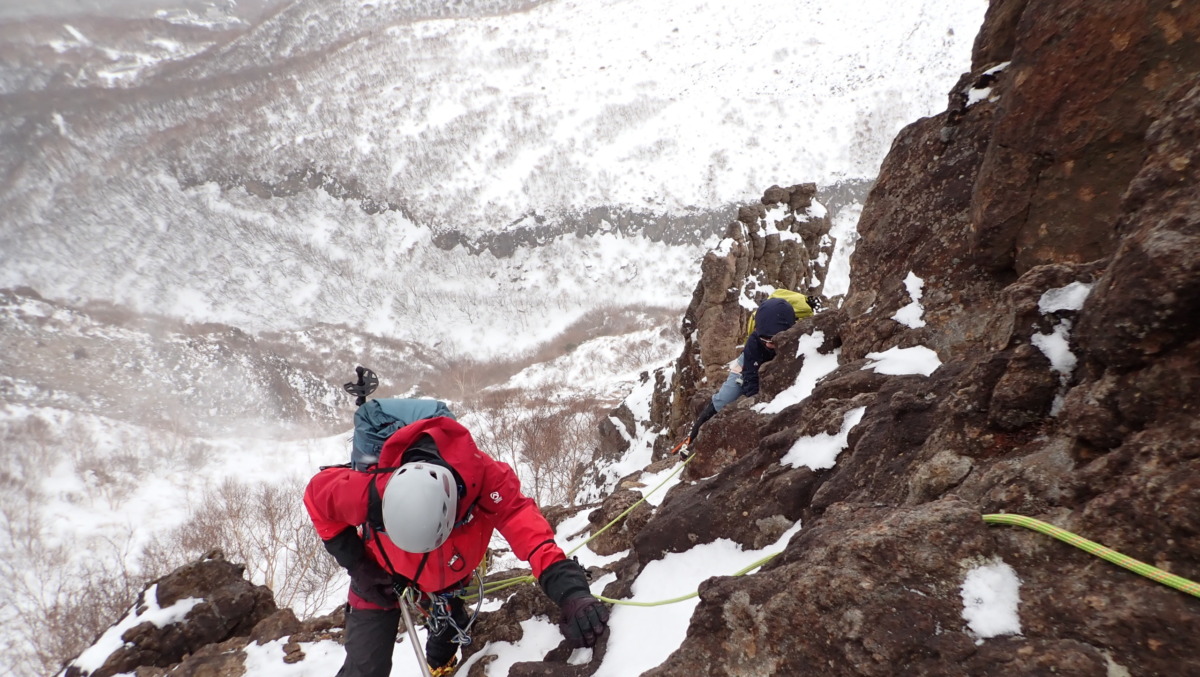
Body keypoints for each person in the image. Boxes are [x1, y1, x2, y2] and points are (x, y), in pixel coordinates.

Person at [305, 416, 609, 677]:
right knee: (365, 669)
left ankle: (442, 648)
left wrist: (571, 592)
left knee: (445, 639)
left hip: (448, 581)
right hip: (379, 580)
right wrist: (361, 567)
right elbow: (317, 498)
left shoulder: (487, 481)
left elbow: (528, 530)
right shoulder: (366, 490)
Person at [687, 295, 802, 443]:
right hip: (750, 361)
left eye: (773, 340)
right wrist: (755, 399)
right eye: (764, 339)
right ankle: (692, 437)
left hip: (769, 361)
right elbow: (749, 376)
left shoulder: (798, 337)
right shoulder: (754, 342)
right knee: (725, 398)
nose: (768, 344)